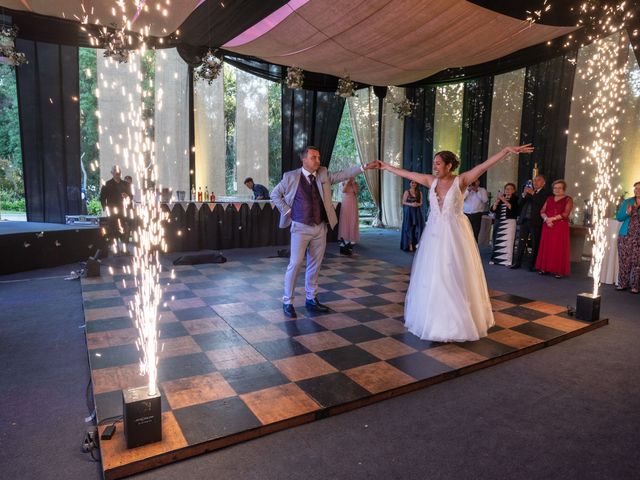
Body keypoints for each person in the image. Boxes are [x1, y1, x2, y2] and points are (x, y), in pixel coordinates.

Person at [378, 144, 534, 342]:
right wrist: (386, 167)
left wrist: (506, 151)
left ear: (449, 165)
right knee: (433, 275)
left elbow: (484, 166)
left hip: (455, 234)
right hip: (434, 235)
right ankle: (434, 320)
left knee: (452, 274)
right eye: (434, 163)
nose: (434, 167)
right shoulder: (430, 180)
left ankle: (455, 323)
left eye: (438, 163)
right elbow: (408, 174)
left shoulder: (462, 180)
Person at [271, 146, 378, 318]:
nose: (318, 161)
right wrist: (287, 210)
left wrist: (364, 166)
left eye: (319, 157)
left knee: (315, 264)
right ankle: (287, 301)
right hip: (300, 227)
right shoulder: (290, 177)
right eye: (314, 157)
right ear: (304, 160)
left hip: (320, 227)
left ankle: (311, 299)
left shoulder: (323, 173)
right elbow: (275, 194)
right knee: (296, 264)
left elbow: (343, 174)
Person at [511, 175, 551, 270]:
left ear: (543, 183)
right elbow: (520, 205)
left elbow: (542, 203)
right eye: (534, 180)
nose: (535, 182)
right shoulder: (529, 192)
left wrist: (533, 193)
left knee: (535, 243)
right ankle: (517, 262)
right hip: (525, 220)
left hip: (536, 221)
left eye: (538, 180)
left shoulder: (546, 193)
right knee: (521, 242)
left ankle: (533, 264)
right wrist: (524, 194)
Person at [535, 180, 573, 279]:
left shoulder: (568, 199)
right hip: (548, 225)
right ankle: (544, 268)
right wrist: (546, 219)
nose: (557, 190)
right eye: (555, 188)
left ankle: (558, 270)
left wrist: (552, 219)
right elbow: (542, 211)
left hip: (560, 226)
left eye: (559, 188)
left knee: (558, 247)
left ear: (564, 189)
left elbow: (565, 214)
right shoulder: (549, 198)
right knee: (547, 246)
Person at [615, 181, 640, 293]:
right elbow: (619, 217)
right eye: (635, 188)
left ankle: (635, 286)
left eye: (639, 188)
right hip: (625, 236)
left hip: (638, 237)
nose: (637, 190)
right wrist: (627, 212)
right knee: (624, 260)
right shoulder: (628, 201)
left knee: (637, 262)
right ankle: (622, 283)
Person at [99, 165, 132, 251]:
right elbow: (102, 198)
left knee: (125, 228)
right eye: (116, 172)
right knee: (113, 229)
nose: (118, 174)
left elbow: (131, 197)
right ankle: (115, 247)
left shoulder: (126, 184)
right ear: (112, 173)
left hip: (123, 211)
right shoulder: (107, 184)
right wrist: (105, 208)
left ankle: (124, 247)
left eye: (119, 172)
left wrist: (127, 196)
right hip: (112, 211)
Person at [489, 182, 518, 266]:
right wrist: (497, 201)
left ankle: (507, 261)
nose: (508, 191)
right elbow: (493, 210)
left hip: (509, 222)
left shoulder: (515, 199)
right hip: (499, 221)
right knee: (496, 239)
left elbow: (511, 208)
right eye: (506, 189)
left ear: (514, 190)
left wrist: (503, 199)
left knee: (508, 241)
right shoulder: (501, 199)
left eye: (510, 189)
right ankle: (495, 259)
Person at [400, 180, 425, 252]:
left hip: (417, 212)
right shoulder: (407, 192)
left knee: (417, 227)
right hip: (409, 212)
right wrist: (411, 204)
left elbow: (421, 203)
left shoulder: (419, 192)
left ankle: (416, 244)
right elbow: (403, 202)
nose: (414, 184)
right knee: (409, 227)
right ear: (410, 184)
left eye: (415, 183)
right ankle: (409, 244)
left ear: (417, 184)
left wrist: (417, 204)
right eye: (412, 182)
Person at [338, 177, 360, 255]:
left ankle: (351, 244)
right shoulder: (342, 182)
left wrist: (353, 183)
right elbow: (343, 191)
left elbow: (356, 191)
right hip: (346, 203)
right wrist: (347, 182)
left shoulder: (354, 182)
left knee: (353, 222)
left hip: (353, 203)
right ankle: (343, 244)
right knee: (345, 223)